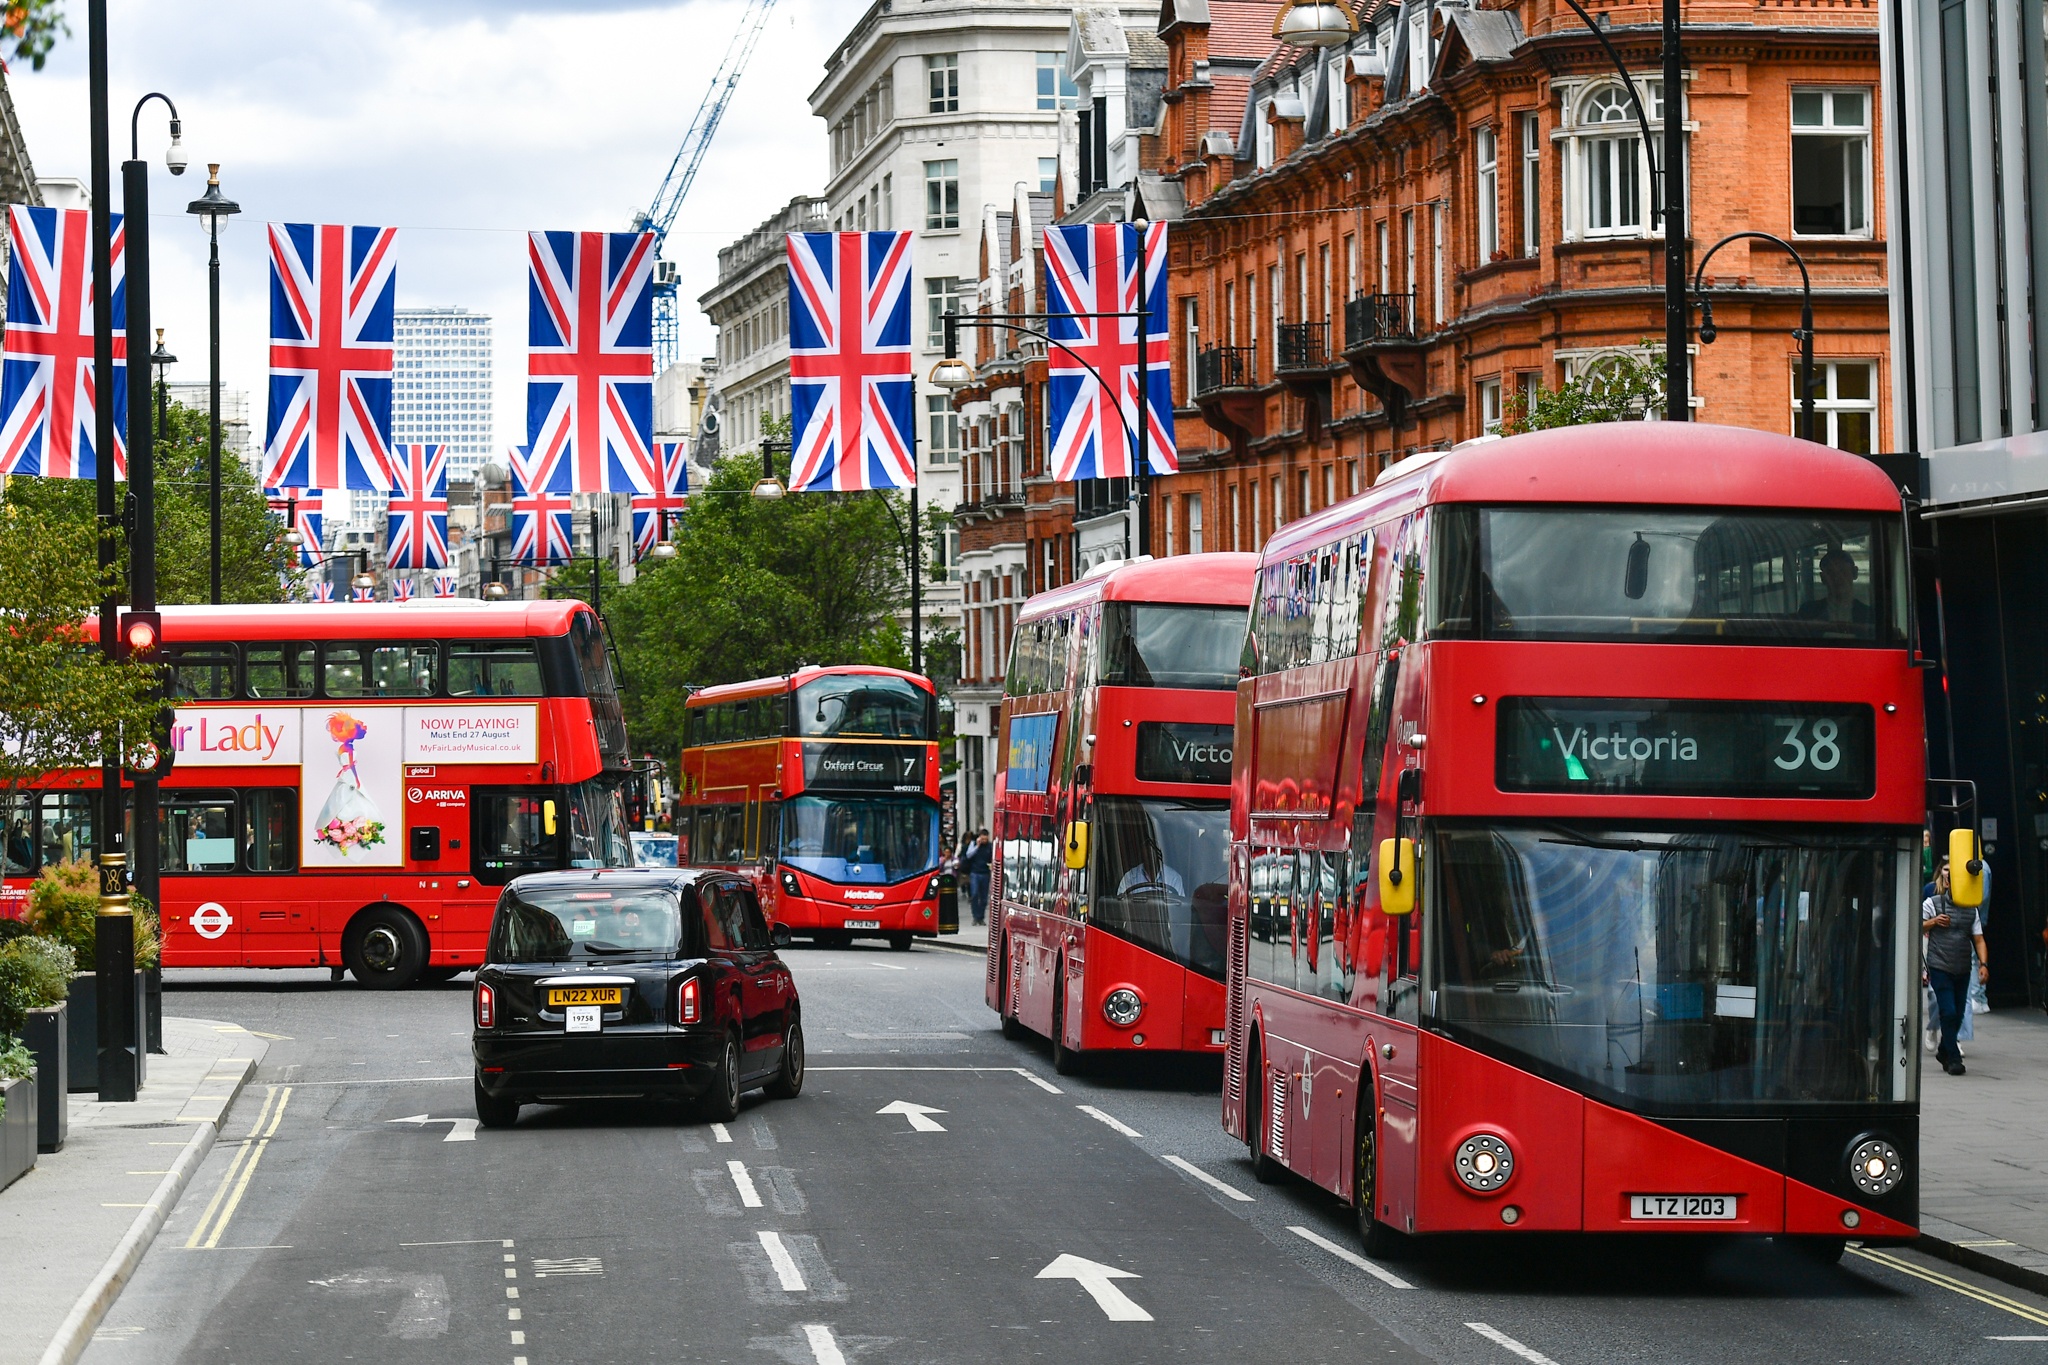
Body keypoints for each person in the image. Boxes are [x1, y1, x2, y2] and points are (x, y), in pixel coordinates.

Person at [1923, 857, 1989, 1075]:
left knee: (1959, 1013)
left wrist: (1983, 964)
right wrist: (1933, 922)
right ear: (1948, 883)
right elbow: (1915, 923)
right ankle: (1952, 1058)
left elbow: (1978, 939)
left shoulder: (1972, 910)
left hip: (1962, 967)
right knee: (1948, 1010)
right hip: (1939, 965)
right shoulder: (1933, 903)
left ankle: (1944, 1047)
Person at [1797, 547, 1874, 626]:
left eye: (1842, 572)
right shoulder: (1808, 611)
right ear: (1823, 578)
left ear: (1854, 573)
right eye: (1831, 573)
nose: (1837, 578)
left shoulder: (1870, 616)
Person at [960, 830, 992, 926]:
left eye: (985, 839)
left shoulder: (990, 846)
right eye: (982, 839)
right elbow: (968, 855)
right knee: (974, 894)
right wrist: (977, 846)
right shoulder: (973, 844)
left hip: (985, 873)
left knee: (983, 897)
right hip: (975, 872)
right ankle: (975, 916)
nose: (984, 841)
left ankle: (981, 917)